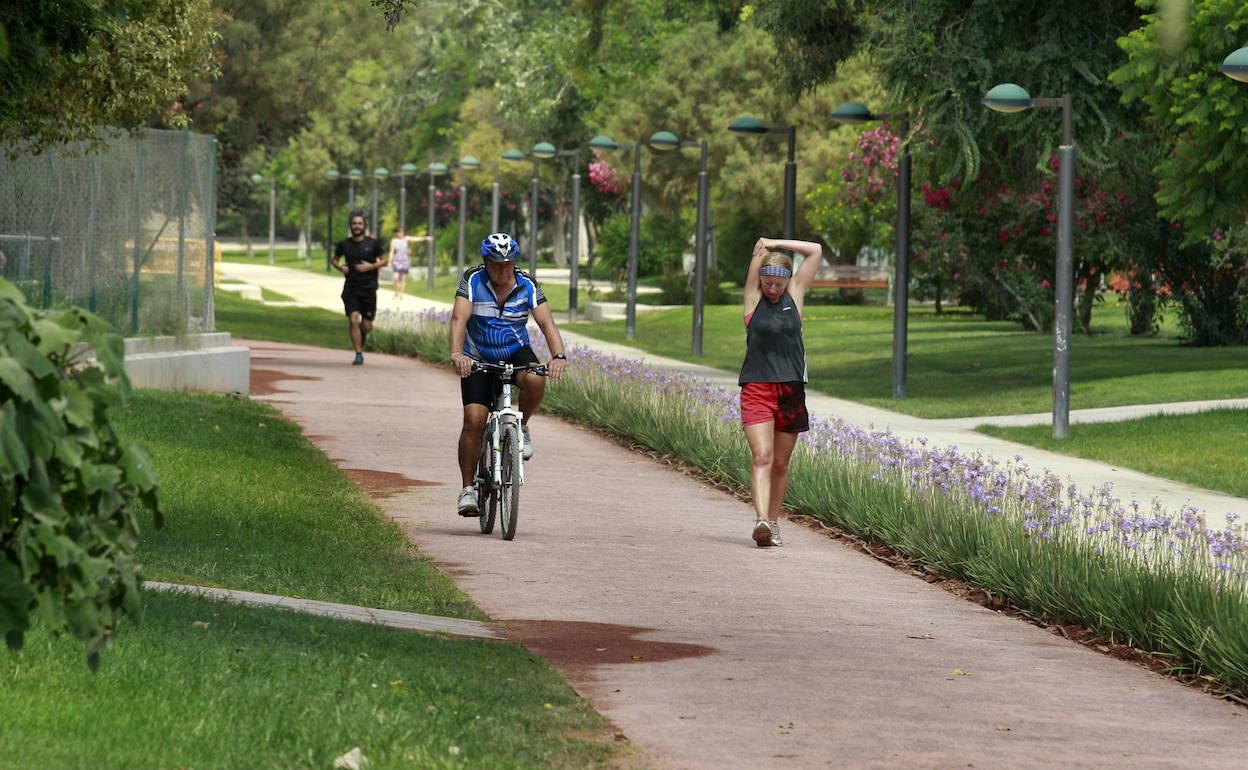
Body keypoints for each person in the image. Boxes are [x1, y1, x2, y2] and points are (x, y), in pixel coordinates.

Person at [448, 233, 567, 516]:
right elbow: (458, 319)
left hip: (515, 351)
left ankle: (522, 427)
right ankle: (467, 490)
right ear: (486, 263)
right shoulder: (472, 281)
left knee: (536, 377)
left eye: (508, 264)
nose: (503, 270)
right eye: (496, 264)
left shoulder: (527, 284)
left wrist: (559, 356)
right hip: (476, 356)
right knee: (474, 420)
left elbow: (547, 323)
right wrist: (457, 354)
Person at [739, 237, 824, 547]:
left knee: (780, 464)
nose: (772, 289)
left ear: (788, 280)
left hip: (790, 390)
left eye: (778, 283)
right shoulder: (753, 299)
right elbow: (756, 262)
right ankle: (761, 518)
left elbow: (814, 250)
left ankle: (773, 523)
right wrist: (760, 252)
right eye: (767, 282)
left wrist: (776, 242)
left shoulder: (795, 296)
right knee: (762, 456)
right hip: (756, 388)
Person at [331, 210, 387, 365]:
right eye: (354, 223)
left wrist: (371, 266)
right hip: (351, 288)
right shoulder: (344, 244)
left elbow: (384, 260)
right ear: (351, 225)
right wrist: (341, 268)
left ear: (364, 226)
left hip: (369, 289)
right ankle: (358, 353)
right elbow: (334, 260)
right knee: (353, 319)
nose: (357, 226)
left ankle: (363, 333)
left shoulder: (372, 243)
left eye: (359, 224)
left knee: (366, 325)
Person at [389, 227, 411, 298]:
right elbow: (391, 252)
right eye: (398, 232)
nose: (400, 234)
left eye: (401, 232)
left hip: (405, 260)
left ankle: (401, 294)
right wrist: (390, 261)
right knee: (395, 277)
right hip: (397, 260)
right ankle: (396, 291)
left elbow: (416, 239)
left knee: (403, 278)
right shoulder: (394, 241)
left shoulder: (406, 239)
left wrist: (426, 238)